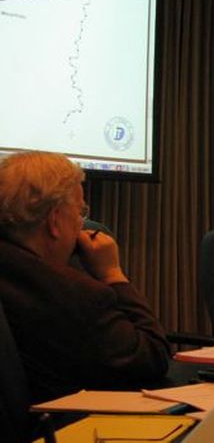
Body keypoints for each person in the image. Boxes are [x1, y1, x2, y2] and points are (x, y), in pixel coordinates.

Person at [0, 151, 169, 403]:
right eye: (81, 212)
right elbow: (151, 355)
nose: (82, 224)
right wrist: (113, 274)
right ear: (55, 220)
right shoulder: (69, 293)